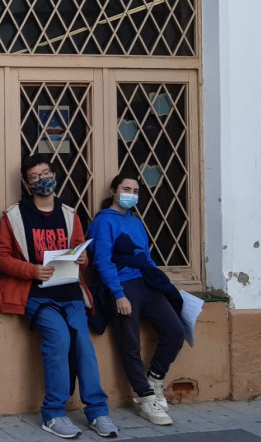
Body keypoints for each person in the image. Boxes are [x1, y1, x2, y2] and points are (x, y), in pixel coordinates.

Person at [0, 155, 119, 439]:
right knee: (59, 340)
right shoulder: (14, 216)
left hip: (71, 293)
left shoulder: (70, 214)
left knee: (84, 346)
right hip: (37, 296)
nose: (42, 180)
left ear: (55, 175)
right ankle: (53, 414)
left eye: (46, 173)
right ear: (27, 184)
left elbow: (80, 252)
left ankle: (98, 412)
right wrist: (31, 270)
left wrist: (83, 259)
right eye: (35, 177)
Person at [88, 174, 185, 427]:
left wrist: (157, 282)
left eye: (135, 190)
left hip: (145, 283)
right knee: (129, 343)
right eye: (126, 189)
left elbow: (147, 257)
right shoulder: (103, 222)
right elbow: (103, 261)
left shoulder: (136, 223)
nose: (131, 194)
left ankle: (155, 377)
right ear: (113, 192)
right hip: (122, 285)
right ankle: (145, 397)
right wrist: (118, 294)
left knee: (175, 330)